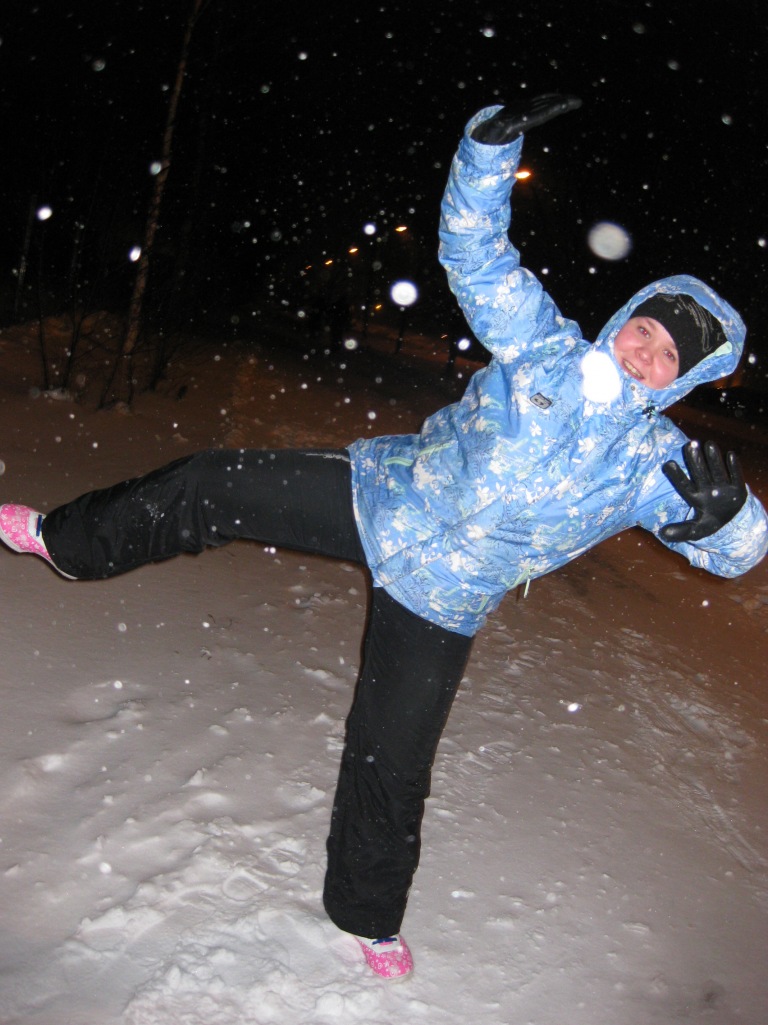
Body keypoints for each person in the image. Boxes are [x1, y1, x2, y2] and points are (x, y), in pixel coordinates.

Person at [2, 96, 767, 980]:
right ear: (623, 318)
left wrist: (731, 520)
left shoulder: (652, 461)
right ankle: (71, 541)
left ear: (684, 378)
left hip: (447, 597)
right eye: (646, 330)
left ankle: (366, 914)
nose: (646, 352)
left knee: (393, 759)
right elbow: (475, 253)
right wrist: (486, 152)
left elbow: (740, 553)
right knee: (212, 480)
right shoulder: (545, 348)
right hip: (382, 495)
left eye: (670, 354)